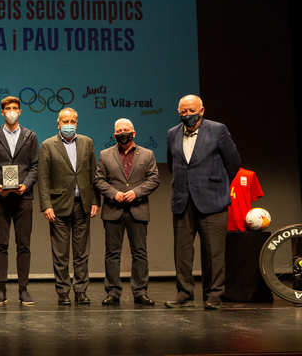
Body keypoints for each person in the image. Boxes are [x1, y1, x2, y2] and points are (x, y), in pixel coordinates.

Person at [166, 95, 241, 310]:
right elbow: (173, 164)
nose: (187, 115)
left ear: (202, 110)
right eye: (183, 111)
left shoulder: (217, 130)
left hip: (212, 199)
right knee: (182, 252)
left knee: (214, 252)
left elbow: (233, 162)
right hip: (182, 200)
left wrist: (216, 185)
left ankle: (214, 294)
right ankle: (184, 292)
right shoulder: (172, 133)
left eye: (191, 110)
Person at [38, 108, 100, 305]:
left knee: (82, 253)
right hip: (58, 206)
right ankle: (63, 292)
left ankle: (81, 291)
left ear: (77, 122)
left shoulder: (87, 142)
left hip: (83, 205)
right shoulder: (48, 145)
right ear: (58, 123)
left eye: (72, 121)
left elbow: (93, 174)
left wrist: (95, 200)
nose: (69, 124)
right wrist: (46, 205)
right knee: (60, 253)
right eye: (65, 121)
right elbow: (43, 178)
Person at [94, 118, 159, 306]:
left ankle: (140, 292)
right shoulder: (105, 155)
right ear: (114, 135)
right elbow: (98, 180)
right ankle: (113, 292)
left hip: (137, 209)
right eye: (119, 130)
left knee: (140, 253)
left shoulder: (147, 154)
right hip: (113, 209)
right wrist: (114, 194)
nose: (123, 133)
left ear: (134, 133)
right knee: (112, 253)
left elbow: (154, 179)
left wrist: (136, 193)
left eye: (126, 129)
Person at [0, 96, 39, 305]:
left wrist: (27, 184)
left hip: (24, 197)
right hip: (0, 198)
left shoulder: (30, 136)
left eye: (15, 108)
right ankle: (1, 289)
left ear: (20, 112)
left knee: (24, 244)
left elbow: (35, 166)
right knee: (1, 245)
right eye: (8, 108)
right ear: (2, 112)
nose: (12, 111)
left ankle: (23, 290)